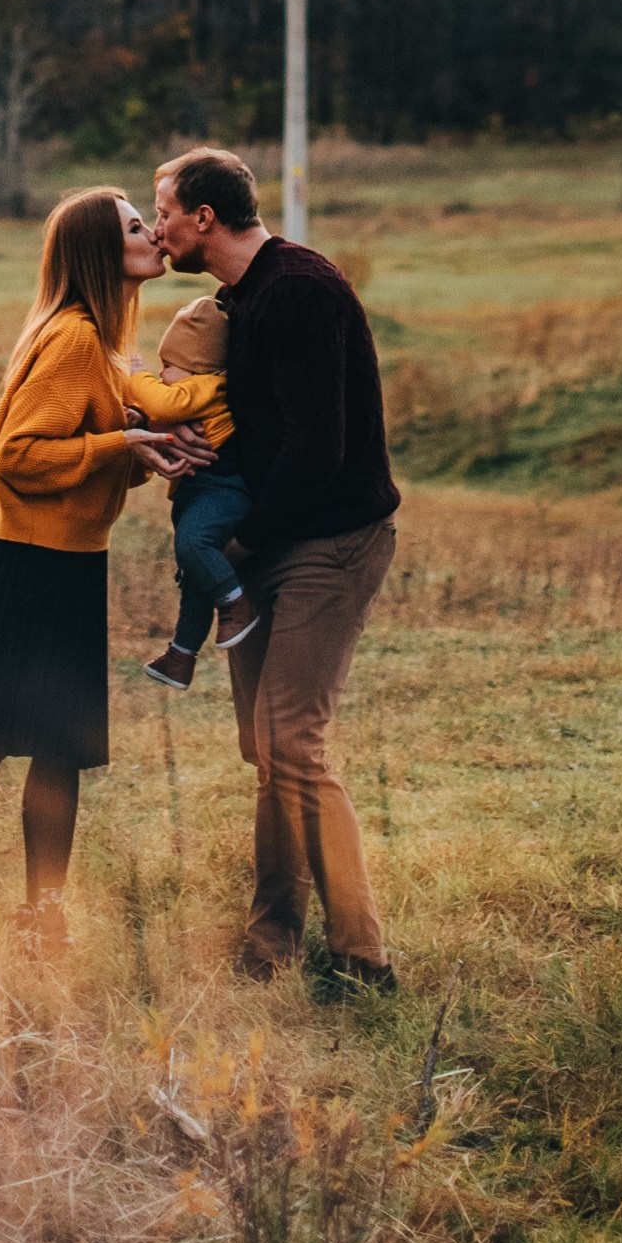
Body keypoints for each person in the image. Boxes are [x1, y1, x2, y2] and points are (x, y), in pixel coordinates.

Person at [0, 187, 223, 955]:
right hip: (27, 568)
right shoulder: (77, 338)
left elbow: (79, 459)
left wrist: (146, 448)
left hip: (71, 562)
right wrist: (121, 445)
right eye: (134, 227)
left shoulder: (101, 342)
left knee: (59, 749)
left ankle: (43, 925)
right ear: (96, 253)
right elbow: (16, 456)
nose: (153, 233)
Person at [153, 145, 401, 992]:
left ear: (205, 219)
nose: (158, 229)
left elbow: (318, 452)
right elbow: (245, 423)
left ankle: (363, 956)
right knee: (267, 748)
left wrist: (238, 543)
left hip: (329, 539)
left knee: (293, 739)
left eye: (165, 213)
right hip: (267, 538)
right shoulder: (238, 297)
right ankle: (270, 944)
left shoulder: (298, 290)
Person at [139, 282, 258, 689]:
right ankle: (181, 655)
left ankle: (236, 604)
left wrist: (132, 377)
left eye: (169, 365)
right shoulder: (192, 387)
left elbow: (160, 404)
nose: (161, 373)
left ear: (197, 365)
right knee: (194, 575)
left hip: (222, 491)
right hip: (200, 495)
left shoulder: (207, 387)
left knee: (194, 547)